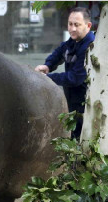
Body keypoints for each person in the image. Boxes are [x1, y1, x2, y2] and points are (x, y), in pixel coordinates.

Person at [35, 7, 95, 139]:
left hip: (87, 107)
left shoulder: (91, 46)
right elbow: (59, 52)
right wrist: (48, 65)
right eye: (70, 24)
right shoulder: (73, 41)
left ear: (88, 25)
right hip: (73, 103)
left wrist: (47, 78)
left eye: (77, 25)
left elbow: (75, 78)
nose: (72, 28)